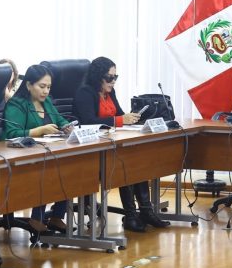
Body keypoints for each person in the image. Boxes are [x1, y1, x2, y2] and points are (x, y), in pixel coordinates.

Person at [73, 56, 171, 232]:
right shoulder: (85, 93)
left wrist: (130, 118)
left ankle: (146, 211)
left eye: (115, 77)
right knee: (126, 163)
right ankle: (131, 216)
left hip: (110, 144)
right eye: (109, 77)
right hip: (90, 151)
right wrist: (119, 120)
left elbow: (119, 114)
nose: (113, 81)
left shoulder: (110, 92)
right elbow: (88, 121)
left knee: (135, 161)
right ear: (98, 76)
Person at [3, 64, 73, 234]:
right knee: (48, 171)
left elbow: (60, 120)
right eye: (42, 86)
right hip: (23, 156)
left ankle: (57, 216)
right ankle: (36, 218)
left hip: (48, 152)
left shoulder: (46, 102)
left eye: (48, 87)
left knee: (70, 169)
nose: (46, 91)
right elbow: (12, 134)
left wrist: (67, 126)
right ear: (28, 85)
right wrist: (39, 130)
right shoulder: (16, 104)